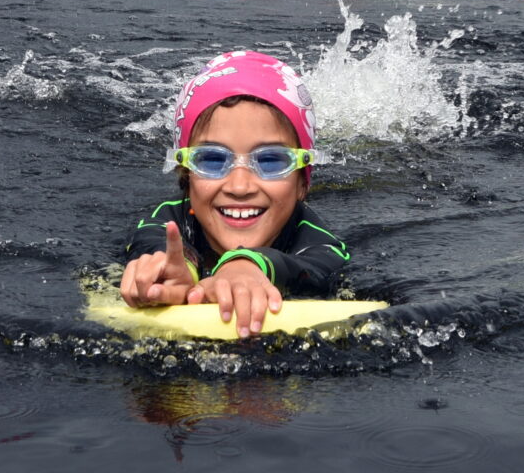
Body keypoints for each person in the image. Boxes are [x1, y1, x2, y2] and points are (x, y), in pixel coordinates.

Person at [119, 52, 353, 336]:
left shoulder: (311, 234)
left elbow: (320, 267)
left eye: (271, 161)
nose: (239, 187)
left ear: (302, 183)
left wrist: (247, 265)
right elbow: (150, 241)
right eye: (212, 160)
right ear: (186, 175)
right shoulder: (170, 219)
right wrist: (174, 272)